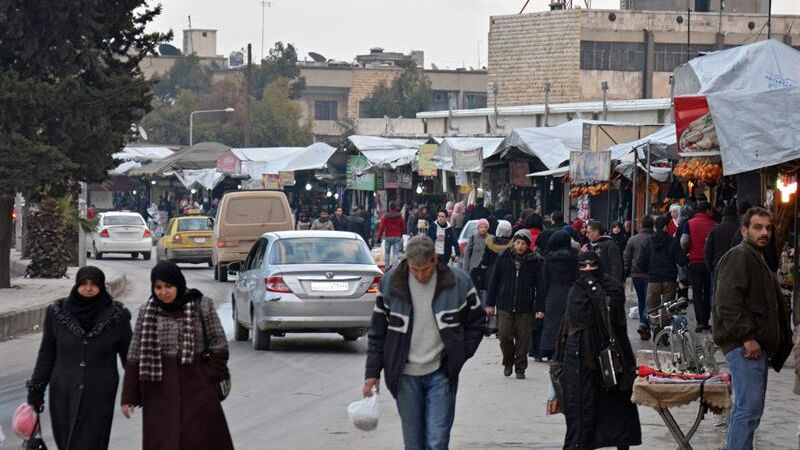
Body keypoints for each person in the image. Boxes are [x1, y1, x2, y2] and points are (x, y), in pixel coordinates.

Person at [362, 235, 485, 450]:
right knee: (414, 443)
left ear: (434, 260)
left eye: (425, 269)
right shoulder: (391, 283)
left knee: (437, 441)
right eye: (415, 270)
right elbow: (377, 332)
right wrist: (372, 373)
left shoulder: (458, 282)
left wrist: (460, 353)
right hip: (404, 376)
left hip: (441, 373)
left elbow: (476, 322)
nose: (420, 275)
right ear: (407, 262)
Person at [121, 261, 233, 450]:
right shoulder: (147, 311)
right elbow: (134, 353)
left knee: (199, 440)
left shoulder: (201, 305)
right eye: (158, 287)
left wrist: (206, 375)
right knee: (164, 441)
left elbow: (219, 344)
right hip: (158, 393)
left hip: (197, 391)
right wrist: (128, 396)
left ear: (178, 284)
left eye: (168, 286)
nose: (163, 292)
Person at [713, 207, 792, 450]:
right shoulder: (739, 256)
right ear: (744, 230)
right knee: (748, 409)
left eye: (768, 228)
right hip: (744, 346)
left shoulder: (757, 258)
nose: (764, 232)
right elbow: (727, 302)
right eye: (758, 227)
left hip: (754, 345)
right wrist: (747, 337)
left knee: (749, 410)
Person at [26, 266, 131, 450]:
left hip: (99, 395)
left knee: (91, 443)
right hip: (63, 392)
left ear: (101, 287)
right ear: (76, 285)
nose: (88, 288)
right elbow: (46, 355)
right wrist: (36, 391)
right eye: (84, 284)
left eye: (94, 284)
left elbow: (129, 358)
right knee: (66, 442)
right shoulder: (57, 314)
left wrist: (132, 392)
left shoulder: (117, 317)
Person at [555, 251, 642, 450]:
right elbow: (571, 321)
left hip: (610, 355)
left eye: (592, 265)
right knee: (581, 405)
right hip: (580, 355)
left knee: (615, 403)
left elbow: (612, 313)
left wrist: (593, 287)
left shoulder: (611, 287)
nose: (587, 270)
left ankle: (620, 442)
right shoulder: (576, 289)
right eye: (583, 266)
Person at [486, 229, 542, 379]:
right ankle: (508, 361)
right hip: (505, 304)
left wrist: (540, 308)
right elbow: (494, 281)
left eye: (523, 243)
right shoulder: (503, 257)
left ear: (528, 245)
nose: (520, 246)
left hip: (526, 306)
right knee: (504, 335)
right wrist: (490, 304)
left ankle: (520, 368)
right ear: (513, 243)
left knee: (524, 339)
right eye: (517, 242)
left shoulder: (535, 261)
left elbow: (540, 286)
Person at [539, 229, 578, 360]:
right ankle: (566, 348)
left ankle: (549, 349)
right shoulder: (574, 257)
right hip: (570, 291)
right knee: (568, 322)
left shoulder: (549, 258)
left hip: (553, 292)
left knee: (551, 322)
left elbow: (544, 280)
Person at [637, 216, 680, 333]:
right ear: (666, 227)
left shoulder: (648, 242)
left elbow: (640, 261)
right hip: (669, 279)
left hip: (653, 279)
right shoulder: (673, 241)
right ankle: (664, 331)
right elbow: (681, 260)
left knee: (652, 306)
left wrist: (649, 271)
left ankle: (655, 325)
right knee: (668, 307)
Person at [683, 201, 717, 332]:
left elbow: (684, 241)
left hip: (694, 261)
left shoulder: (689, 223)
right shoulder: (714, 224)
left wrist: (688, 251)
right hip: (709, 263)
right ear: (707, 211)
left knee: (696, 292)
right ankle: (706, 319)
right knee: (708, 291)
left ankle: (699, 321)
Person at [624, 215, 655, 340]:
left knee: (642, 300)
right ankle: (644, 322)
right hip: (651, 274)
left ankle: (644, 325)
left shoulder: (633, 239)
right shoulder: (654, 238)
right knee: (649, 301)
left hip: (636, 274)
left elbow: (627, 257)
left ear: (641, 225)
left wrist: (625, 274)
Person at [479, 220, 514, 290]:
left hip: (491, 272)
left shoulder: (490, 242)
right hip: (506, 275)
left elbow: (485, 261)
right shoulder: (512, 245)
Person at [463, 219, 489, 302]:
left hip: (486, 269)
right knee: (475, 290)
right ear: (478, 228)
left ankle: (484, 306)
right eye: (481, 227)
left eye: (485, 227)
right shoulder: (472, 238)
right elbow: (467, 254)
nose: (483, 229)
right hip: (474, 268)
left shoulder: (491, 238)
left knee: (485, 291)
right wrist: (466, 269)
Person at [378, 201, 406, 268]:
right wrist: (401, 234)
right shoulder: (399, 216)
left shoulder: (386, 216)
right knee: (396, 254)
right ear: (395, 207)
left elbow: (382, 227)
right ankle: (394, 268)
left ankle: (387, 267)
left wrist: (379, 237)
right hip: (397, 236)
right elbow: (403, 226)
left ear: (389, 207)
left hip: (388, 236)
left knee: (387, 253)